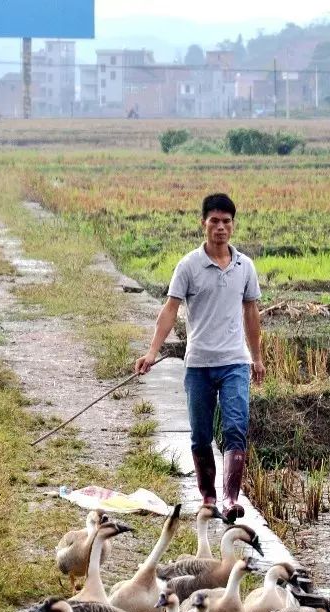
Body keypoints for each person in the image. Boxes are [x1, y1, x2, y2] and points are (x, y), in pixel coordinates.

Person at [134, 193, 264, 519]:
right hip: (199, 365)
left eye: (226, 222)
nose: (220, 227)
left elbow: (251, 314)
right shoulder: (188, 266)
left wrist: (257, 358)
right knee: (201, 434)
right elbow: (170, 310)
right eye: (214, 221)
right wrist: (152, 352)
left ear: (233, 225)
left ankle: (231, 499)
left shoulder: (244, 266)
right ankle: (208, 497)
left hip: (235, 361)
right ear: (203, 223)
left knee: (235, 427)